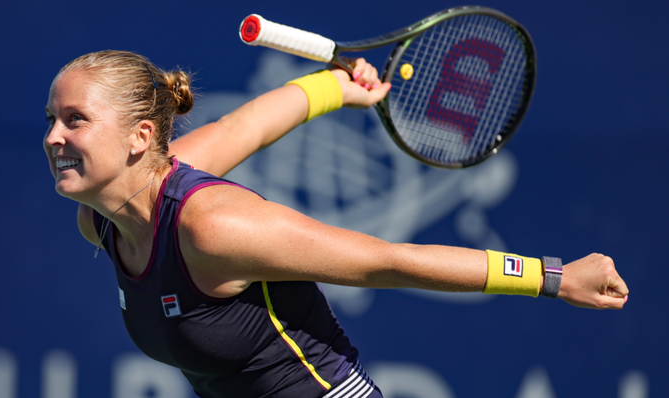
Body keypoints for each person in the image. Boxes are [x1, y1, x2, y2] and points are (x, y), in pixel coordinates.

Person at [44, 50, 628, 398]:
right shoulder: (101, 223)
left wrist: (552, 277)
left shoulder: (214, 227)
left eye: (75, 120)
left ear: (140, 137)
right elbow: (241, 128)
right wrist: (334, 87)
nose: (53, 138)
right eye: (52, 119)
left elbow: (386, 261)